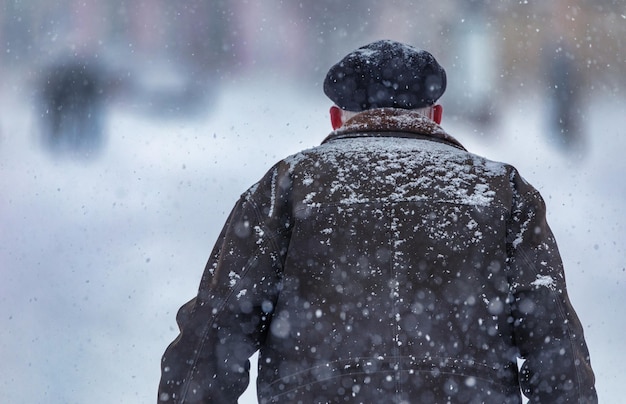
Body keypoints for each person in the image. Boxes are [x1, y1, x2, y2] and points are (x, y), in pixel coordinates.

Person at [158, 40, 597, 403]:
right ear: (436, 115)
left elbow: (214, 332)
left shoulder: (288, 186)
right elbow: (553, 339)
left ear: (335, 118)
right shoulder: (502, 191)